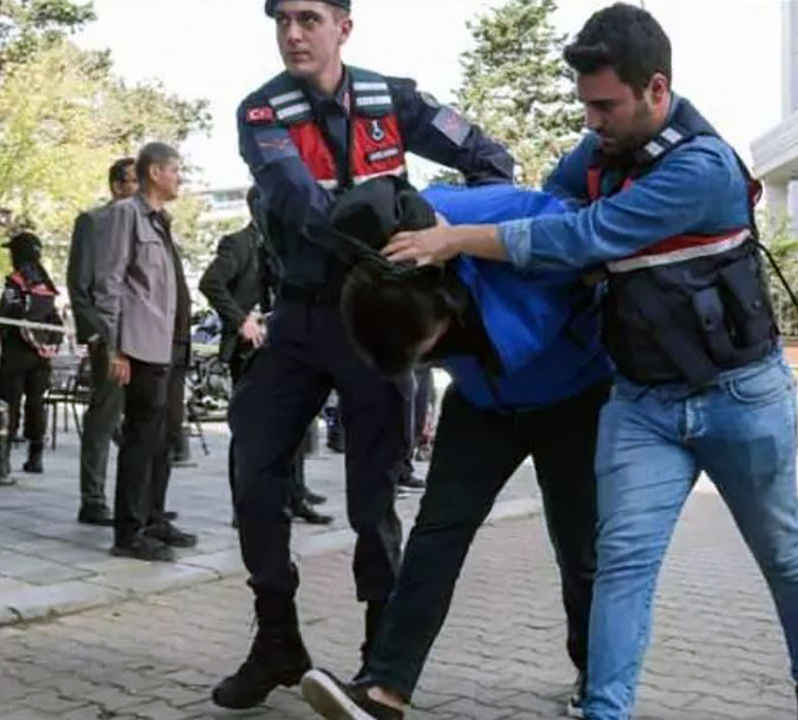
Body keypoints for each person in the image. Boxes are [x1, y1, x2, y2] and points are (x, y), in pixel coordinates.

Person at [380, 5, 798, 718]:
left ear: (657, 90)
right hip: (642, 404)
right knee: (620, 563)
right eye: (586, 106)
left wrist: (459, 239)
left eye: (606, 105)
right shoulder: (597, 151)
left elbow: (585, 233)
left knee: (780, 553)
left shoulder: (703, 167)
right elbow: (551, 202)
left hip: (739, 397)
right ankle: (604, 709)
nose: (592, 122)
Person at [214, 0, 515, 709]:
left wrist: (449, 232)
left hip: (374, 325)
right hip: (300, 314)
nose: (293, 33)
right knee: (253, 469)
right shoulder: (264, 113)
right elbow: (300, 202)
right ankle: (276, 641)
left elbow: (490, 157)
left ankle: (381, 664)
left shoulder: (393, 100)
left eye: (309, 18)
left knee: (373, 497)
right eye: (282, 20)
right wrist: (390, 223)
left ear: (343, 27)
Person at [299, 180, 610, 720]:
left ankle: (598, 677)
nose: (433, 357)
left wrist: (472, 242)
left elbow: (585, 243)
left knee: (580, 546)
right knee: (436, 535)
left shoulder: (492, 215)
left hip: (572, 396)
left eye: (432, 347)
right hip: (483, 403)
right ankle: (383, 690)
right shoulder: (376, 272)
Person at [198, 187, 331, 526]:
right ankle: (243, 505)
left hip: (287, 345)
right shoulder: (239, 244)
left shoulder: (286, 245)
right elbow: (211, 282)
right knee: (248, 427)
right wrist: (241, 319)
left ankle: (294, 495)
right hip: (249, 349)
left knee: (296, 422)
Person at [94, 142, 198, 562]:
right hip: (140, 345)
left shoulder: (161, 221)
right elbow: (109, 283)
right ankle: (128, 531)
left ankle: (154, 517)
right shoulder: (125, 215)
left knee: (165, 435)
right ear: (155, 172)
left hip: (170, 344)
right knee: (140, 436)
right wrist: (115, 347)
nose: (179, 177)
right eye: (175, 170)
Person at [68, 157, 139, 525]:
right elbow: (79, 287)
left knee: (141, 422)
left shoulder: (150, 224)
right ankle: (93, 499)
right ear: (116, 185)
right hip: (109, 338)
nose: (139, 189)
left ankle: (140, 500)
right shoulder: (93, 222)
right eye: (132, 181)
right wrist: (98, 335)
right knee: (105, 416)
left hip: (145, 337)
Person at [0, 231, 64, 477]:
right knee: (36, 405)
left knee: (8, 405)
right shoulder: (46, 283)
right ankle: (36, 457)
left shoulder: (16, 281)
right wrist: (50, 345)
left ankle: (0, 459)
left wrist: (22, 341)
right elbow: (55, 319)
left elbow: (9, 316)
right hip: (41, 357)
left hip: (16, 354)